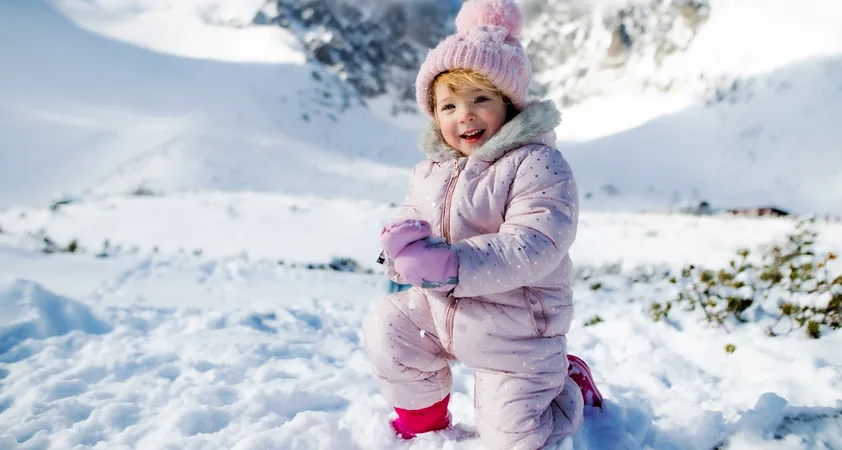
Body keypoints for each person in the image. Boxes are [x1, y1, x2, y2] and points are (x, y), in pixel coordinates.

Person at [363, 0, 602, 448]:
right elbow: (410, 218)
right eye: (448, 105)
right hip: (443, 313)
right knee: (390, 325)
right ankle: (425, 427)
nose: (464, 115)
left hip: (516, 329)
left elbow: (533, 244)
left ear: (508, 104)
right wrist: (400, 249)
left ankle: (567, 388)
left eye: (480, 99)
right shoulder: (430, 170)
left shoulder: (537, 163)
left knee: (515, 439)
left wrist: (451, 265)